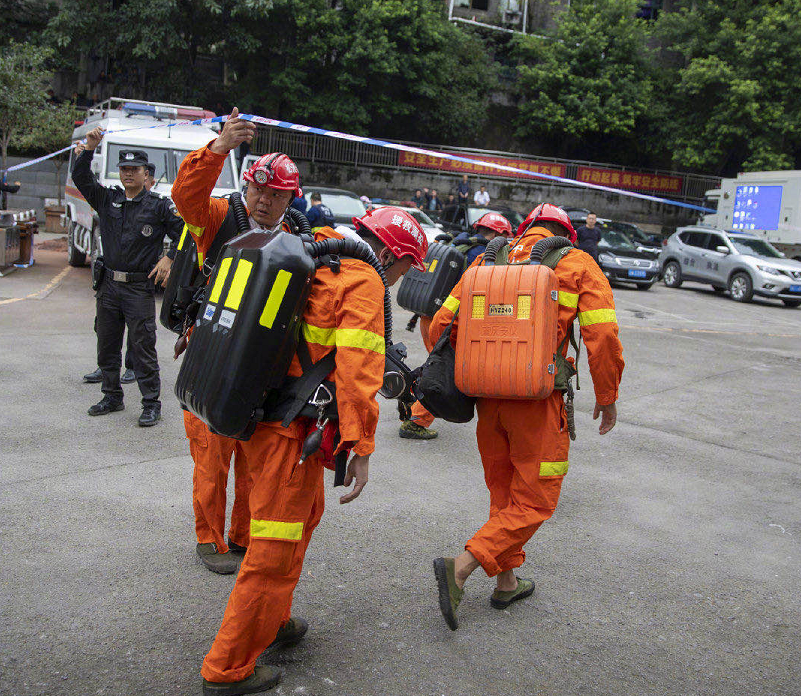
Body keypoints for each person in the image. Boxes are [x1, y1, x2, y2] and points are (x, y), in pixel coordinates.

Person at [194, 202, 426, 695]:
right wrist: (361, 447)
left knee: (301, 521)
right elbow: (359, 370)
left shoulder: (307, 248)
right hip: (289, 434)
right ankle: (228, 665)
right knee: (275, 545)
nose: (403, 278)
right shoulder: (360, 278)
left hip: (265, 420)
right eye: (406, 266)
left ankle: (272, 622)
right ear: (392, 252)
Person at [429, 203, 624, 630]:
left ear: (525, 229)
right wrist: (607, 395)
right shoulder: (576, 263)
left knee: (505, 493)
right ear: (566, 233)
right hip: (538, 403)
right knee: (535, 500)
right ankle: (460, 567)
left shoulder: (487, 260)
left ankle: (507, 583)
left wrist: (476, 368)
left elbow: (440, 324)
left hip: (488, 401)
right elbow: (603, 335)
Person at [172, 112, 306, 577]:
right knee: (211, 459)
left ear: (291, 198)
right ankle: (208, 538)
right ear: (246, 187)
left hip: (258, 367)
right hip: (211, 354)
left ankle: (242, 536)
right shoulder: (218, 218)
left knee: (253, 460)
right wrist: (217, 149)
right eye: (258, 191)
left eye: (276, 195)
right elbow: (185, 197)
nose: (265, 201)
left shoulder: (296, 241)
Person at [72, 129, 183, 427]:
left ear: (146, 173)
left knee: (143, 346)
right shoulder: (108, 199)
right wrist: (89, 149)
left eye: (135, 169)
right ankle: (112, 395)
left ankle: (150, 403)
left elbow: (187, 235)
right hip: (108, 285)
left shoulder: (159, 205)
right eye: (124, 169)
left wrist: (169, 256)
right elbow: (81, 179)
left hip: (138, 289)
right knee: (107, 344)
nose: (129, 173)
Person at [399, 211, 513, 441]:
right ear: (496, 233)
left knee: (435, 365)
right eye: (504, 237)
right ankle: (415, 422)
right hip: (446, 324)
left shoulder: (458, 241)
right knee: (444, 373)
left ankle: (410, 401)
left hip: (428, 316)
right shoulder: (481, 254)